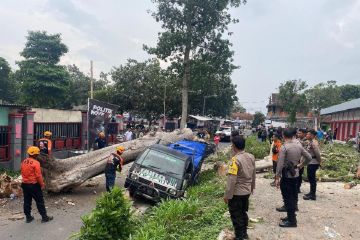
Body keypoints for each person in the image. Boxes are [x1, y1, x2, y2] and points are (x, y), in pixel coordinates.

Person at [275, 128, 311, 228]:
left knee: (288, 198)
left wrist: (277, 177)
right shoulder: (299, 145)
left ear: (283, 136)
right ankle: (290, 216)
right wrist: (301, 165)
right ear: (293, 136)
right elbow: (309, 157)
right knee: (293, 196)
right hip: (296, 174)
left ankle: (292, 221)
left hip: (286, 176)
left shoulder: (284, 147)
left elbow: (280, 164)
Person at [224, 135, 256, 240]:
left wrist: (227, 195)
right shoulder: (251, 156)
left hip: (236, 193)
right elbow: (253, 174)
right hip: (246, 191)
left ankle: (239, 237)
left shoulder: (235, 160)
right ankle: (244, 234)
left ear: (234, 146)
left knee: (236, 215)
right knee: (243, 213)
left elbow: (232, 180)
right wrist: (252, 187)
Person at [21, 146, 53, 223]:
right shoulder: (36, 163)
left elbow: (22, 172)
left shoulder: (23, 162)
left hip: (25, 185)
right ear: (35, 155)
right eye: (37, 154)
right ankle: (44, 217)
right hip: (34, 185)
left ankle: (28, 217)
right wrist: (42, 185)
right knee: (39, 201)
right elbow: (38, 176)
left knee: (27, 201)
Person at [300, 129, 322, 201]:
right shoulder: (310, 142)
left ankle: (313, 195)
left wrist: (319, 162)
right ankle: (311, 192)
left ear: (312, 135)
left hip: (314, 162)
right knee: (310, 178)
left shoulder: (314, 143)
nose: (307, 135)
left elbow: (318, 154)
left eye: (308, 134)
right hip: (310, 162)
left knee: (312, 179)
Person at [296, 129, 308, 193]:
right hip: (295, 159)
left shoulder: (307, 141)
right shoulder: (297, 140)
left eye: (300, 133)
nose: (298, 134)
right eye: (298, 133)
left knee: (299, 174)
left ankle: (298, 187)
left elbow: (306, 151)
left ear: (304, 134)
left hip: (301, 160)